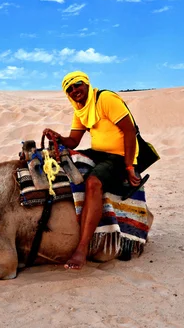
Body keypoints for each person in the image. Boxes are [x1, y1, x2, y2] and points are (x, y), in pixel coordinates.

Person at [43, 71, 140, 270]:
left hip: (121, 156)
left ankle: (82, 247)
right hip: (99, 153)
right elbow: (73, 141)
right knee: (66, 160)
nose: (74, 91)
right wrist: (57, 137)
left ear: (86, 84)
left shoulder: (105, 99)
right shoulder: (80, 109)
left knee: (93, 183)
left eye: (77, 85)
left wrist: (129, 166)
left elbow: (129, 130)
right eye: (69, 89)